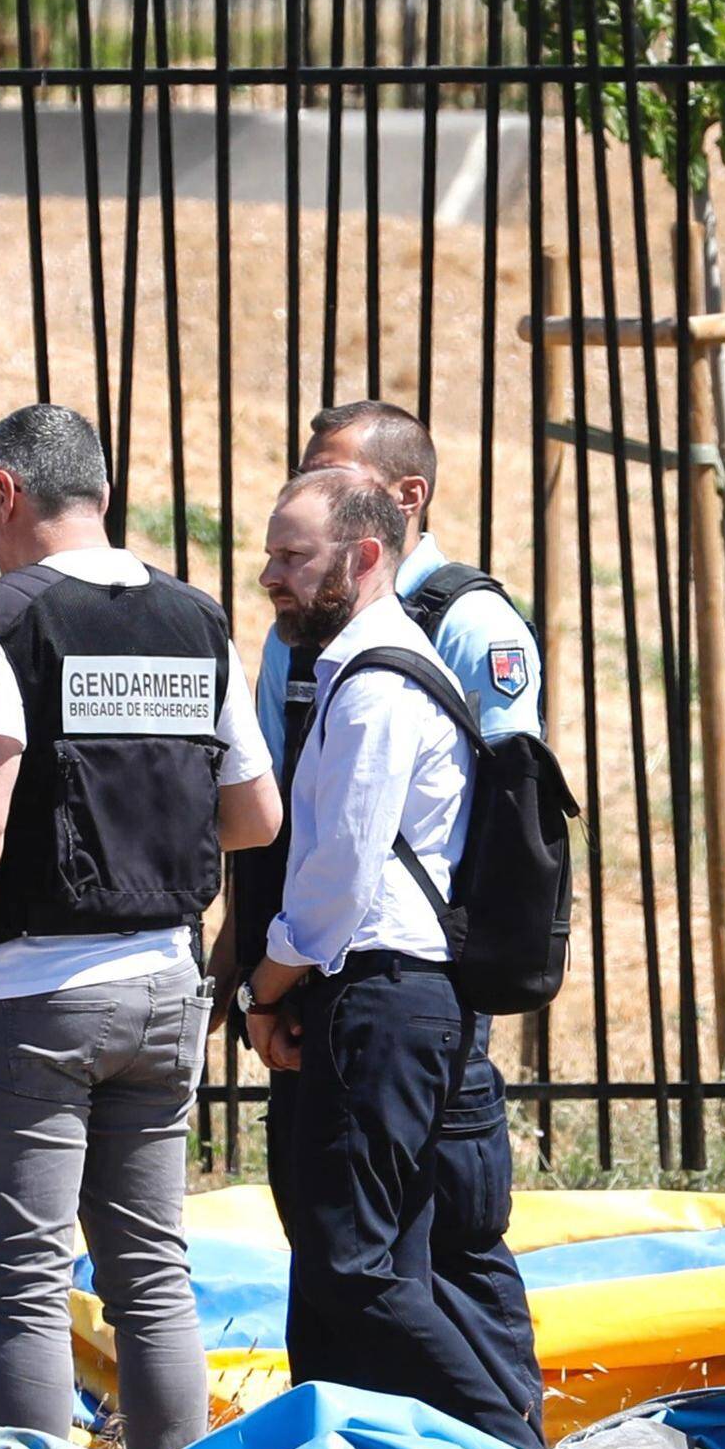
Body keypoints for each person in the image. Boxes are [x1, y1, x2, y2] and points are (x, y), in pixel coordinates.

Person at [0, 402, 280, 1449]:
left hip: (29, 994)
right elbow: (256, 816)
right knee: (152, 1274)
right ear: (105, 498)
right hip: (162, 983)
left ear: (5, 495)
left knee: (21, 1285)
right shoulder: (193, 618)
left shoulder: (4, 620)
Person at [243, 465, 542, 1443]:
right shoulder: (354, 671)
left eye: (292, 557)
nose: (270, 576)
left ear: (362, 558)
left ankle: (505, 1444)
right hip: (378, 998)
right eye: (271, 555)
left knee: (352, 1264)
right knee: (365, 1263)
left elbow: (336, 879)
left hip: (383, 998)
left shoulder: (377, 686)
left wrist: (264, 985)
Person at [224, 398, 542, 1017]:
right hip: (301, 969)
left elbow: (506, 818)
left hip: (416, 974)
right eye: (303, 472)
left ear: (408, 495)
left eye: (331, 474)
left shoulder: (469, 624)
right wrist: (253, 972)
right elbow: (272, 812)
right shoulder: (299, 626)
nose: (307, 489)